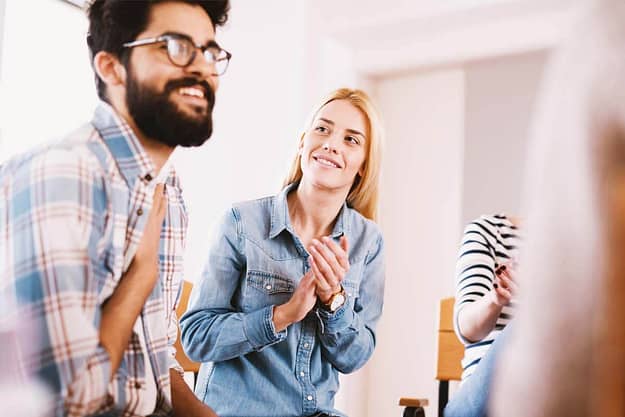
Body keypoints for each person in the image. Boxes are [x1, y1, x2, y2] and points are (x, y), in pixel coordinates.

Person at [0, 1, 231, 415]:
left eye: (210, 51)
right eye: (176, 46)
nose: (202, 67)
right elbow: (61, 404)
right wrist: (139, 277)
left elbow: (156, 364)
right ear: (111, 67)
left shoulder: (169, 190)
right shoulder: (64, 175)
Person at [180, 88, 385, 417]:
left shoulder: (368, 241)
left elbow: (354, 357)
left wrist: (334, 300)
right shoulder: (241, 223)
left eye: (351, 140)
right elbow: (195, 337)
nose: (331, 144)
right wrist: (281, 316)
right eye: (323, 129)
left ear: (363, 165)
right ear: (303, 142)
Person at [491, 1, 625, 416]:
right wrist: (498, 301)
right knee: (502, 342)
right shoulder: (489, 230)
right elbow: (466, 326)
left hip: (531, 356)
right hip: (493, 356)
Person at [444, 214, 521, 417]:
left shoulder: (590, 244)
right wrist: (494, 300)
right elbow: (467, 329)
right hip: (480, 401)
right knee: (528, 327)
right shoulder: (489, 231)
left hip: (556, 392)